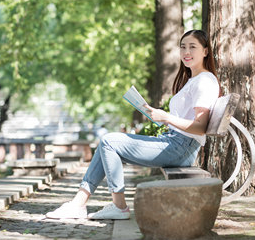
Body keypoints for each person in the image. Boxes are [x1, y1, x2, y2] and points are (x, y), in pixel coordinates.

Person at [46, 29, 220, 220]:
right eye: (183, 47)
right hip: (174, 143)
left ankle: (117, 206)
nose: (186, 52)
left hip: (180, 147)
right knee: (107, 144)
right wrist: (156, 115)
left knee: (109, 141)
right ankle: (78, 203)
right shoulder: (192, 80)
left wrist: (167, 117)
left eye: (192, 47)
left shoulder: (204, 81)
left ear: (205, 51)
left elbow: (200, 126)